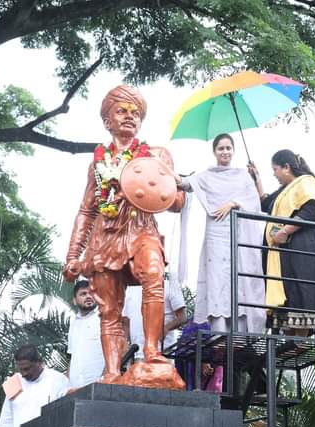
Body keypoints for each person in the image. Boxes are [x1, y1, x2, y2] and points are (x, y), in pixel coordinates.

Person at [63, 85, 185, 385]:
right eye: (122, 111)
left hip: (142, 230)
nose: (130, 117)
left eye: (135, 113)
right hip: (105, 238)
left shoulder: (156, 155)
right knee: (109, 308)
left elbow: (178, 202)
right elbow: (86, 211)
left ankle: (153, 353)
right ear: (108, 121)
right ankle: (112, 371)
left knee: (154, 276)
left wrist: (163, 187)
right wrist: (72, 255)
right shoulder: (98, 164)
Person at [175, 133, 265, 333]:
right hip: (216, 234)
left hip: (239, 234)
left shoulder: (243, 176)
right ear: (214, 152)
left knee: (239, 278)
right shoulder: (206, 175)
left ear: (233, 151)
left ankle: (241, 331)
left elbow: (254, 203)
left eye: (228, 148)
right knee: (217, 279)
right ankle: (219, 331)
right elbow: (184, 183)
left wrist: (234, 203)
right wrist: (161, 170)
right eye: (221, 148)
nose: (225, 152)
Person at [250, 149, 315, 334]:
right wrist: (256, 179)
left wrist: (284, 231)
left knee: (302, 289)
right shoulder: (285, 190)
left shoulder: (306, 182)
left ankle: (302, 338)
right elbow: (266, 205)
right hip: (286, 253)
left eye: (275, 169)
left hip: (304, 248)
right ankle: (292, 339)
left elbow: (310, 210)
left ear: (286, 167)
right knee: (289, 292)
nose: (274, 174)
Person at [122, 271, 187, 360]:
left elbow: (182, 317)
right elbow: (126, 322)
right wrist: (124, 346)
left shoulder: (170, 286)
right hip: (137, 354)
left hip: (162, 353)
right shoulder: (130, 290)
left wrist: (166, 328)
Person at [66, 279, 104, 389]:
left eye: (91, 293)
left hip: (99, 386)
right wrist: (68, 385)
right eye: (83, 294)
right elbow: (72, 357)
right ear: (74, 300)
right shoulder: (74, 324)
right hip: (75, 387)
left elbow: (116, 349)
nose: (88, 296)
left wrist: (105, 378)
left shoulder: (103, 318)